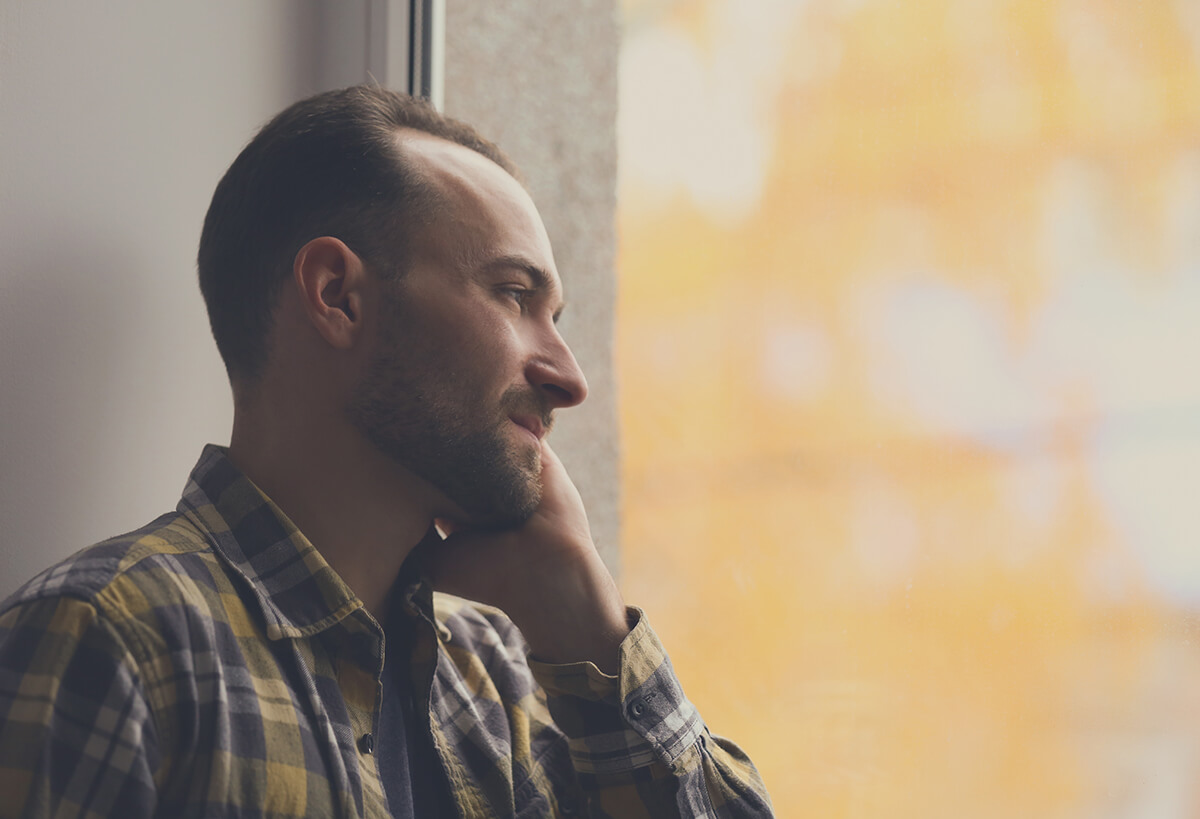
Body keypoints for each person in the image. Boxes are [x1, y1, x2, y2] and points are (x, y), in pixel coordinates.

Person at [0, 85, 773, 818]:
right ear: (337, 295)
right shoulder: (104, 644)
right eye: (514, 294)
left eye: (558, 316)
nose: (569, 379)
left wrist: (596, 637)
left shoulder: (499, 676)